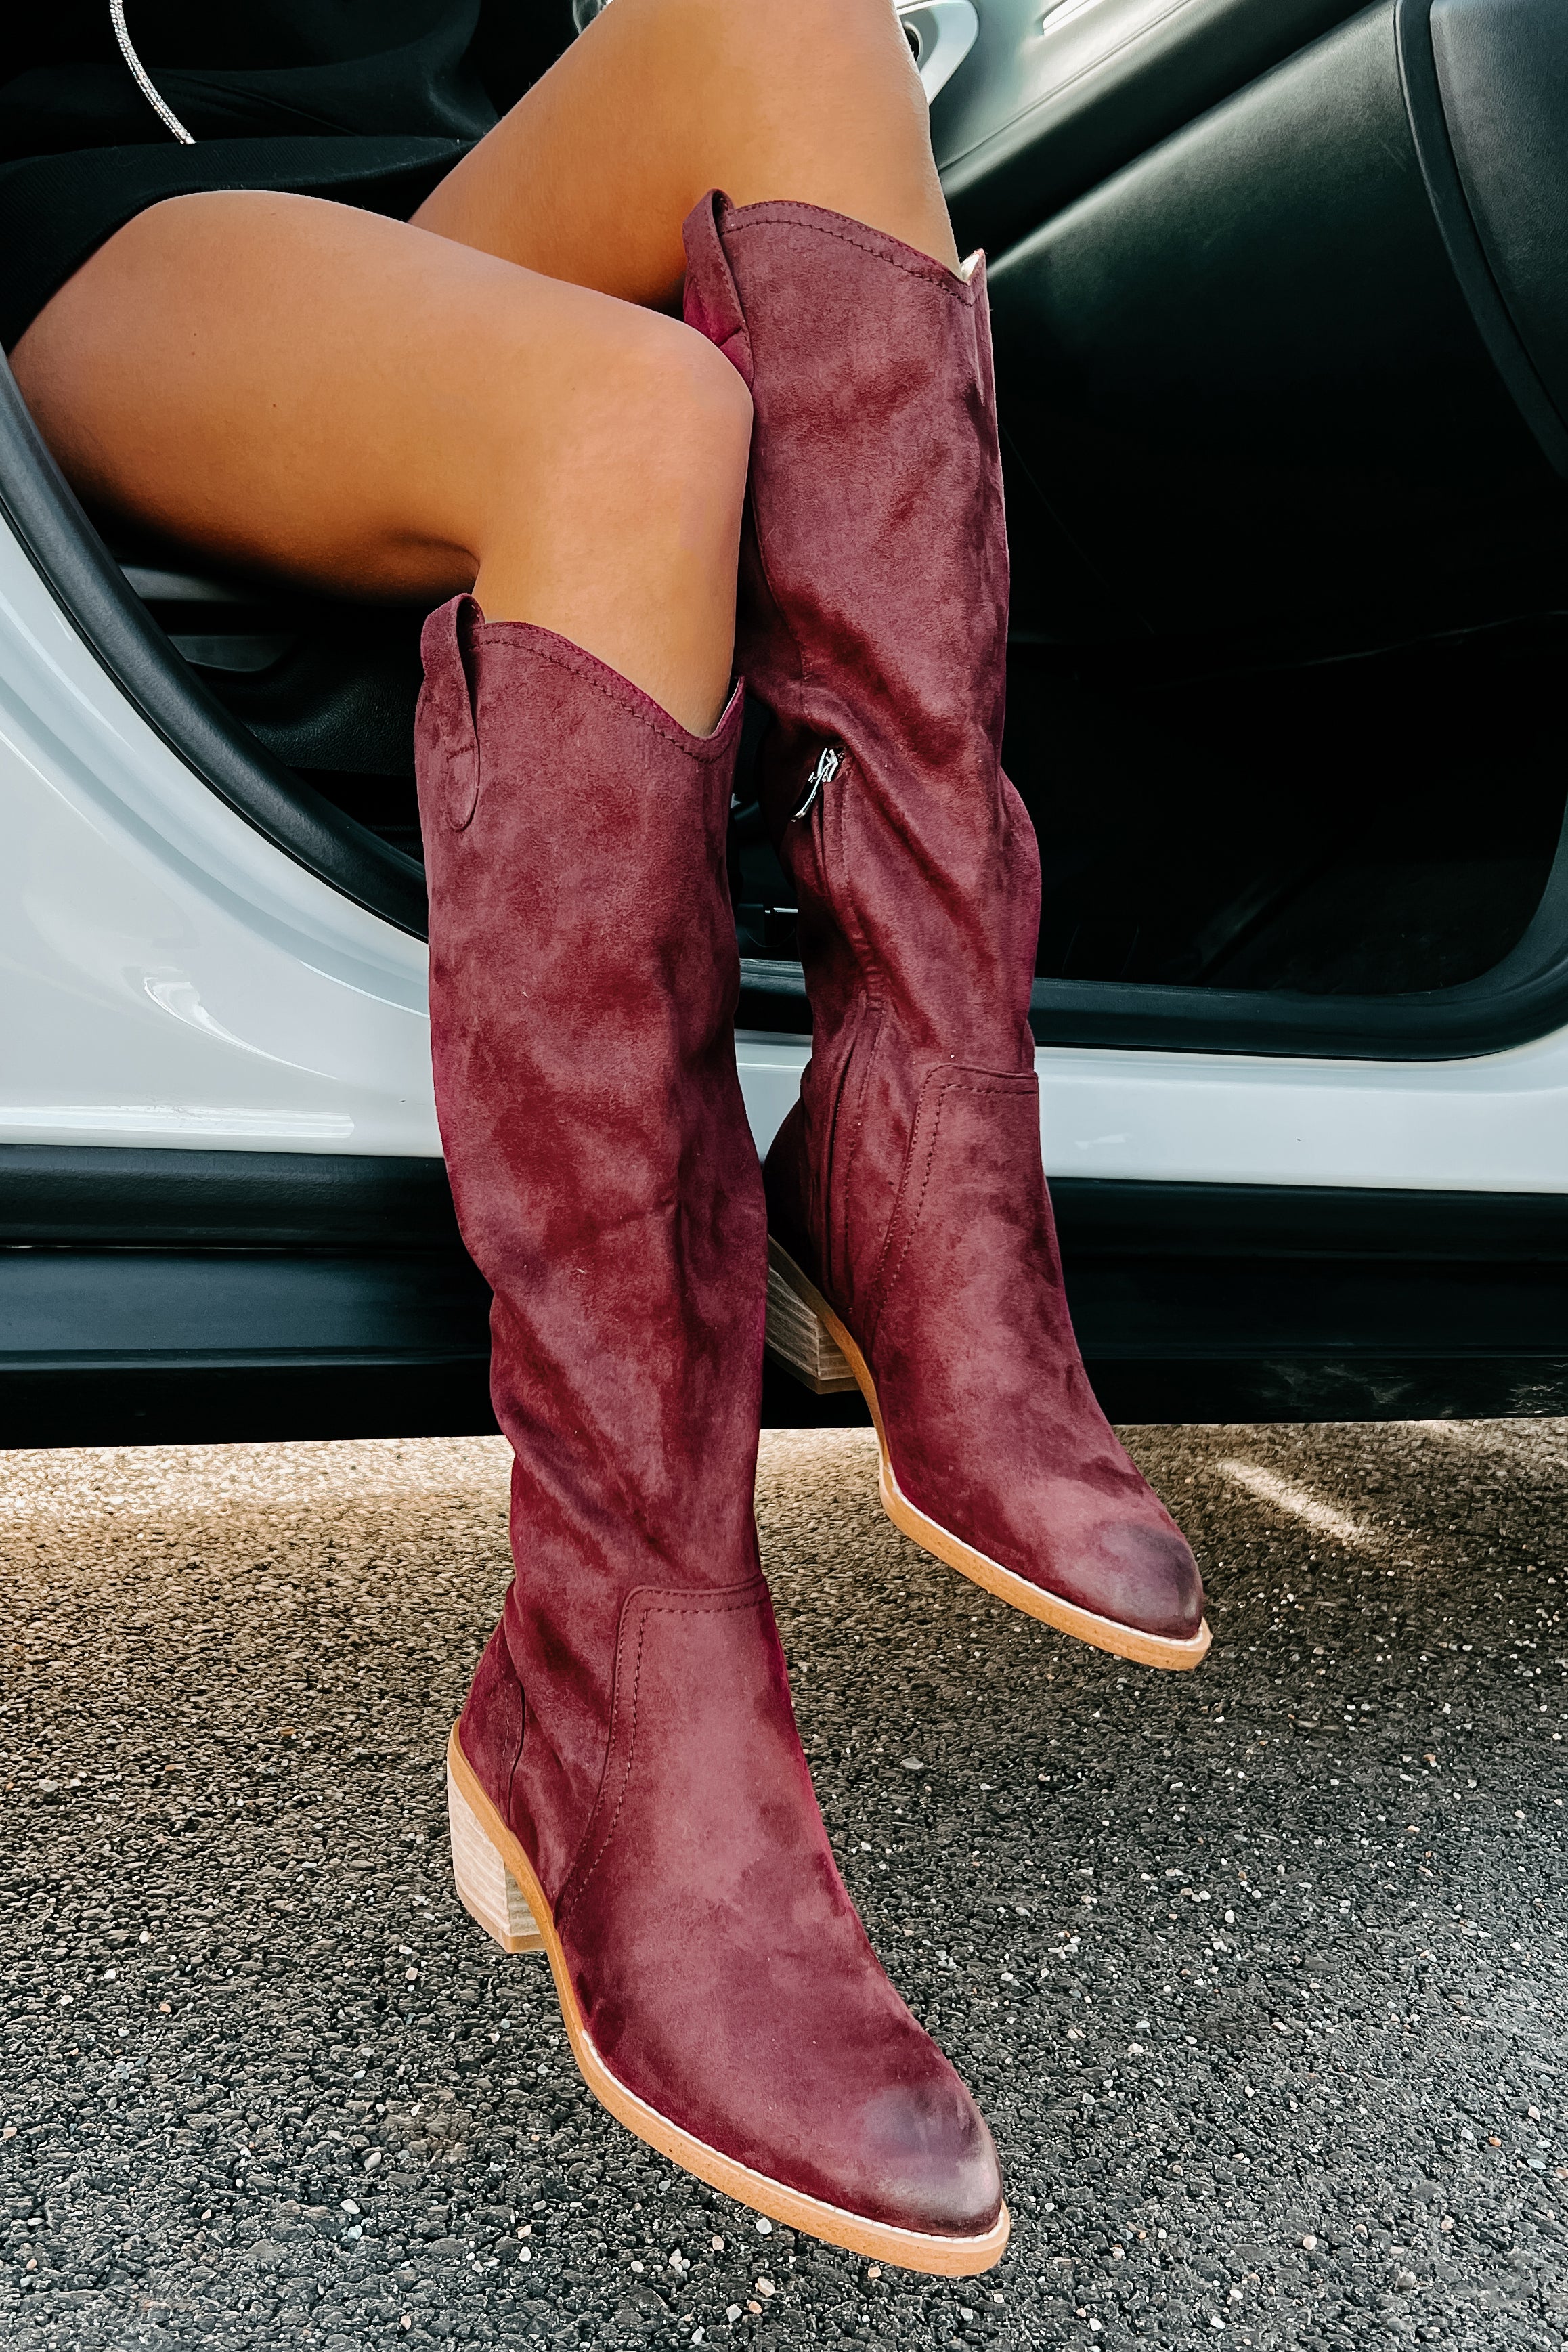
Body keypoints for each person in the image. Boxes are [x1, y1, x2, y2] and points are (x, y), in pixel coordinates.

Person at [4, 0, 1209, 2273]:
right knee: (643, 415)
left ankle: (916, 1127)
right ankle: (615, 1672)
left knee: (793, 17)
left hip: (432, 205)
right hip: (125, 236)